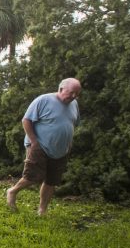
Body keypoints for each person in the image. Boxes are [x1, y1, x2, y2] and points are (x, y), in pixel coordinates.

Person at [6, 78, 82, 215]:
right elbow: (26, 120)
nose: (74, 96)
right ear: (61, 89)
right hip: (39, 146)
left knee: (51, 181)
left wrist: (69, 143)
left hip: (61, 150)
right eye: (71, 93)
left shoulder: (74, 104)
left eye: (77, 93)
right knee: (32, 177)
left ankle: (42, 210)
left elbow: (71, 124)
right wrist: (34, 141)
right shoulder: (43, 100)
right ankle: (12, 191)